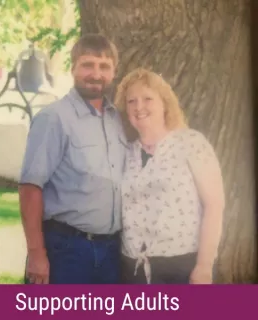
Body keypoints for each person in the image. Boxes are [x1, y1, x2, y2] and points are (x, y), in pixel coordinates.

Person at [18, 34, 127, 284]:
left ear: (114, 72)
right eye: (87, 64)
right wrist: (36, 254)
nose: (96, 74)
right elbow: (30, 188)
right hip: (67, 250)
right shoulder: (54, 118)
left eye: (104, 67)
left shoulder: (117, 120)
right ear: (73, 68)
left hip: (111, 252)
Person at [115, 68, 225, 284]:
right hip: (132, 269)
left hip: (182, 267)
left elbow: (215, 205)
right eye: (131, 101)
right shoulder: (126, 152)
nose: (139, 107)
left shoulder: (191, 143)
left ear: (164, 103)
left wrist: (204, 266)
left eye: (148, 98)